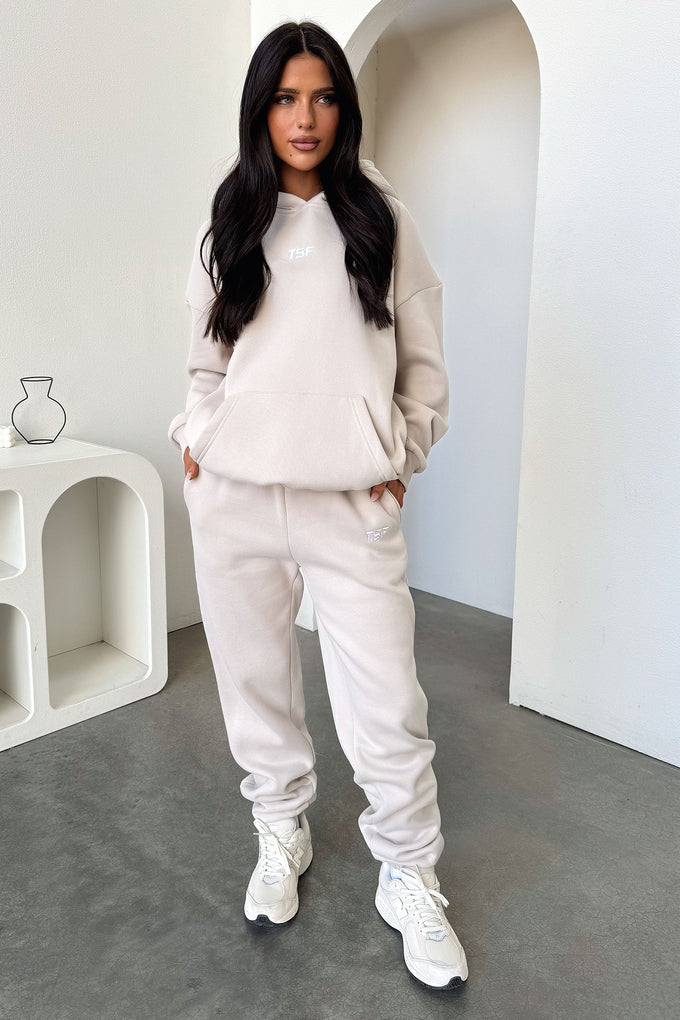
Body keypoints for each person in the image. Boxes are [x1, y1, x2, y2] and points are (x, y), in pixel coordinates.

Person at [168, 20, 468, 990]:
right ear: (260, 109)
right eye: (286, 98)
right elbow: (205, 364)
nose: (305, 118)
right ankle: (279, 825)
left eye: (323, 96)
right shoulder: (231, 217)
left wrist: (399, 458)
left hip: (349, 503)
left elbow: (423, 372)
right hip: (237, 497)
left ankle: (409, 874)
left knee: (387, 700)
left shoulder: (382, 218)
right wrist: (199, 441)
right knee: (253, 682)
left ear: (344, 106)